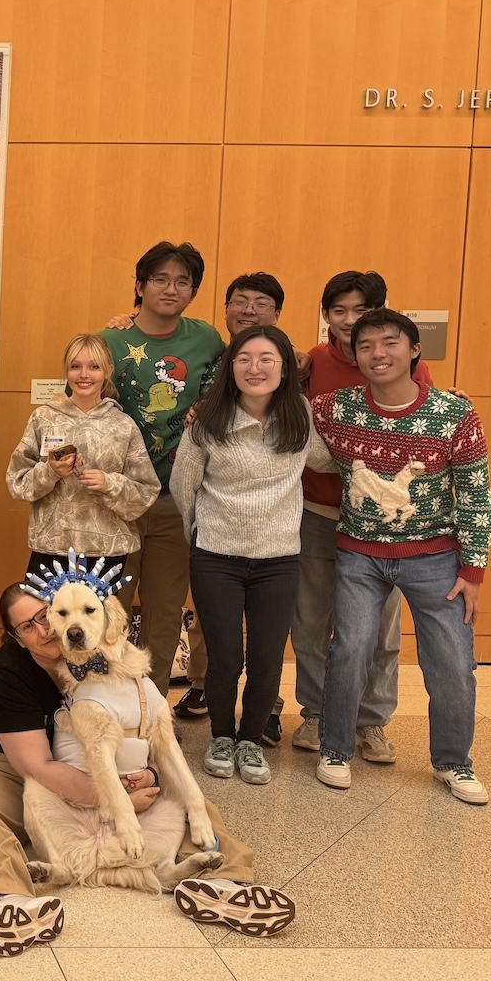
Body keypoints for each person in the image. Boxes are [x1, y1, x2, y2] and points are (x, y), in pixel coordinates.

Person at [0, 583, 293, 956]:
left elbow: (147, 733)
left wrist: (151, 776)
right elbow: (36, 765)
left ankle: (225, 885)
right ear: (16, 638)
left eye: (46, 615)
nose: (44, 630)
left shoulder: (115, 658)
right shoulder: (10, 669)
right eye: (27, 627)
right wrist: (116, 799)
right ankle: (9, 901)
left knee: (187, 798)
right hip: (7, 761)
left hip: (108, 765)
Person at [311, 309, 491, 804]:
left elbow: (476, 495)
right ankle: (334, 749)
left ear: (415, 350)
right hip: (359, 553)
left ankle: (454, 762)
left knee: (453, 661)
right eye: (365, 346)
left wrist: (472, 570)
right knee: (350, 648)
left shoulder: (454, 414)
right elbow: (275, 410)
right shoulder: (335, 408)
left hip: (435, 556)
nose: (378, 354)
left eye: (390, 343)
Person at [171, 326, 333, 785]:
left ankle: (249, 739)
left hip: (279, 559)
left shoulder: (300, 417)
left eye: (267, 359)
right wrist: (200, 534)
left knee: (267, 657)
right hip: (216, 556)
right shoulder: (207, 423)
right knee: (225, 657)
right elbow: (185, 487)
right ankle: (222, 736)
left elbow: (326, 459)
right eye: (244, 359)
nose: (255, 368)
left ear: (285, 369)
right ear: (231, 368)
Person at [291, 271, 434, 760]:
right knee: (311, 621)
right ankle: (316, 713)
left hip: (380, 522)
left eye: (361, 311)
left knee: (379, 629)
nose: (350, 322)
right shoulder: (310, 363)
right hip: (318, 510)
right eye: (339, 311)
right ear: (326, 315)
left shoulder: (400, 359)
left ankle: (371, 721)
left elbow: (422, 418)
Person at [99, 242, 225, 701]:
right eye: (160, 279)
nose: (171, 289)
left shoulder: (207, 339)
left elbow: (244, 376)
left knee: (165, 611)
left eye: (182, 282)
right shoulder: (110, 342)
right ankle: (107, 697)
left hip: (177, 498)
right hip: (117, 499)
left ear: (193, 291)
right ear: (139, 285)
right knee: (109, 606)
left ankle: (151, 707)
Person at [7, 332, 158, 585]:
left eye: (94, 367)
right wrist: (50, 472)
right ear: (66, 370)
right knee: (46, 623)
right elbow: (17, 481)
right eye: (76, 366)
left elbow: (146, 492)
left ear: (108, 371)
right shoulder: (44, 418)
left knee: (99, 624)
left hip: (106, 551)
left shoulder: (123, 425)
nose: (84, 375)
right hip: (51, 547)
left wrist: (109, 483)